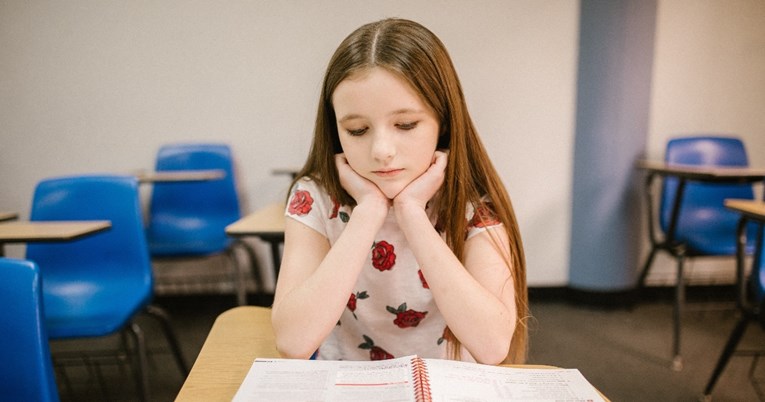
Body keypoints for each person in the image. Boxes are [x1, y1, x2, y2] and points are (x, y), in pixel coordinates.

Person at [271, 18, 528, 365]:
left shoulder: (472, 201)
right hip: (349, 382)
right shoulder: (314, 196)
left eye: (405, 125)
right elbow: (292, 340)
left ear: (444, 123)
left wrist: (411, 213)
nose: (381, 150)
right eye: (357, 129)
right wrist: (368, 213)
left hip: (447, 384)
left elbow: (493, 345)